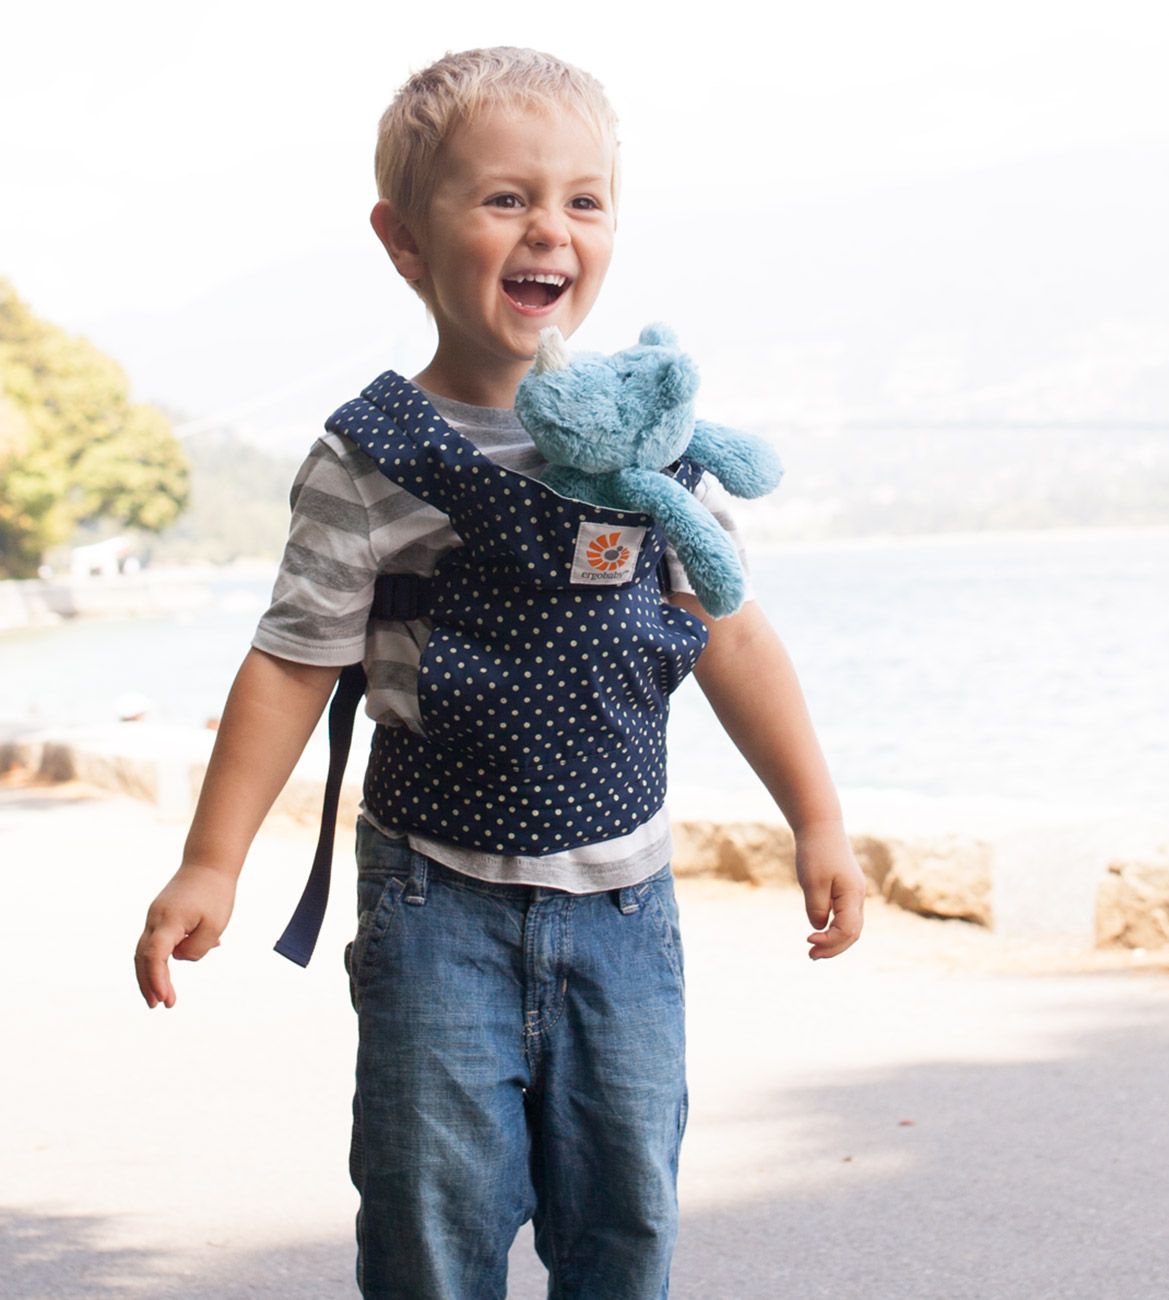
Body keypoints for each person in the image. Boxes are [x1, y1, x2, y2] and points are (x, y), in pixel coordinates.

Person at [134, 46, 867, 1299]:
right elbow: (291, 662)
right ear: (404, 239)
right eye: (505, 198)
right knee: (432, 1226)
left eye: (584, 200)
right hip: (437, 903)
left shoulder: (652, 447)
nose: (550, 230)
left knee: (626, 1223)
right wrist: (213, 862)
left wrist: (818, 819)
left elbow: (732, 633)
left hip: (625, 906)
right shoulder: (371, 458)